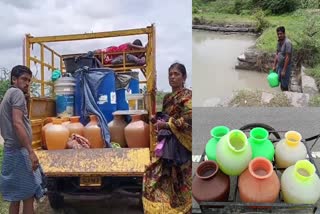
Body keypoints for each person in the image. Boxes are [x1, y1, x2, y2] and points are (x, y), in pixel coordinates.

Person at [142, 62, 192, 213]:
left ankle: (185, 208)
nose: (172, 77)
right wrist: (156, 121)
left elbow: (189, 118)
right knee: (155, 174)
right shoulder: (167, 98)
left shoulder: (187, 95)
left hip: (182, 145)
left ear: (184, 77)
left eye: (176, 74)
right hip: (167, 144)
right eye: (170, 74)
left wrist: (167, 125)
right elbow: (166, 116)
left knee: (183, 178)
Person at [0, 65, 46, 214]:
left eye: (29, 80)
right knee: (28, 196)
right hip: (20, 153)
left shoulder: (8, 94)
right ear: (14, 79)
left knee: (15, 197)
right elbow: (17, 123)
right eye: (24, 79)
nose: (27, 83)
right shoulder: (17, 94)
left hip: (10, 151)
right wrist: (30, 152)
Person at [272, 26, 293, 91]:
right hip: (280, 66)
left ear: (284, 33)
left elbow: (287, 57)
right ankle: (282, 93)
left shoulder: (287, 43)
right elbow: (277, 54)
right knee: (281, 81)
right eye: (278, 34)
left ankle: (285, 95)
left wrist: (284, 70)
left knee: (285, 84)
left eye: (281, 33)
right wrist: (274, 65)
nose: (279, 35)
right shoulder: (279, 42)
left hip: (286, 67)